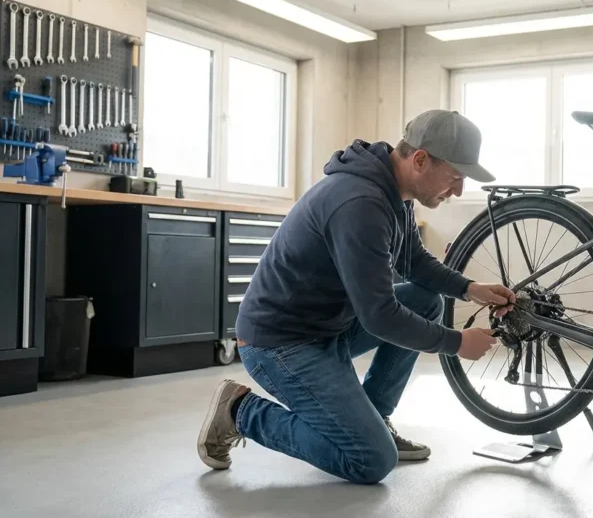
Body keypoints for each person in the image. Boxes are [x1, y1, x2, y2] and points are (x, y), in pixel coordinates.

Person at [196, 110, 516, 484]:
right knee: (372, 460)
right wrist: (455, 342)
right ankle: (239, 411)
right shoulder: (359, 203)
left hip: (327, 329)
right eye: (455, 177)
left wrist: (468, 288)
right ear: (420, 160)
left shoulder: (397, 193)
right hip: (279, 344)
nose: (459, 190)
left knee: (427, 301)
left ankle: (373, 417)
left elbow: (413, 261)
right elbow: (379, 315)